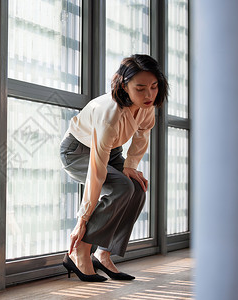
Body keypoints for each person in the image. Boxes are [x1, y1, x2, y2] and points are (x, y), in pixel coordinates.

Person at [60, 54, 168, 282]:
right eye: (140, 88)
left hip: (113, 150)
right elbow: (97, 173)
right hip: (78, 151)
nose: (149, 95)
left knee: (137, 188)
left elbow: (142, 135)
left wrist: (130, 166)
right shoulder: (109, 114)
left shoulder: (146, 105)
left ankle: (103, 253)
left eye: (154, 86)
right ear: (124, 86)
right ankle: (80, 250)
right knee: (121, 188)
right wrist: (82, 219)